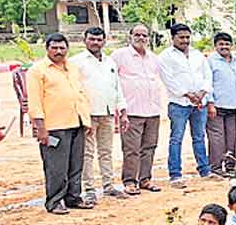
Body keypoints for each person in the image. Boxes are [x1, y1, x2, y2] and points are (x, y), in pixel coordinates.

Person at [28, 33, 94, 214]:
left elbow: (80, 94)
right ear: (47, 49)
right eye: (54, 48)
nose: (58, 51)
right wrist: (41, 128)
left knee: (75, 165)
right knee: (56, 167)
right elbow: (35, 102)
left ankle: (73, 198)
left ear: (67, 49)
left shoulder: (72, 68)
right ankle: (55, 202)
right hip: (53, 127)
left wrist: (86, 120)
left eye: (62, 47)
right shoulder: (37, 71)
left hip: (76, 123)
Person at [71, 26, 128, 203]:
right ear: (84, 40)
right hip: (88, 114)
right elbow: (75, 90)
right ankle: (89, 189)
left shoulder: (110, 62)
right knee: (87, 153)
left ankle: (109, 186)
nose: (96, 43)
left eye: (99, 39)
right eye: (92, 39)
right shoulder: (76, 62)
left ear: (104, 41)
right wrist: (81, 114)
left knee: (106, 151)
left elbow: (116, 87)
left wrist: (122, 111)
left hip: (108, 113)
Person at [159, 23, 213, 187]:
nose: (185, 40)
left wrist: (202, 93)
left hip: (199, 103)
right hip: (179, 103)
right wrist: (187, 94)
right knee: (176, 139)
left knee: (199, 137)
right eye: (181, 37)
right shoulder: (166, 56)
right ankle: (175, 174)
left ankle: (205, 170)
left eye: (187, 37)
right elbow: (169, 80)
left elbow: (207, 76)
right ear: (172, 37)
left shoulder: (197, 55)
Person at [112, 25, 163, 196]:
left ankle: (145, 179)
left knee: (149, 147)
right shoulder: (119, 56)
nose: (141, 38)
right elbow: (113, 83)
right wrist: (120, 110)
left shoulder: (154, 58)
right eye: (137, 34)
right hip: (131, 110)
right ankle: (130, 181)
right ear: (130, 36)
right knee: (131, 148)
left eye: (144, 35)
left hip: (152, 110)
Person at [206, 32, 236, 175]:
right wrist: (210, 103)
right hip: (216, 106)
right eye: (221, 44)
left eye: (227, 44)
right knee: (217, 139)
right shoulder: (211, 62)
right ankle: (216, 168)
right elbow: (207, 84)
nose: (224, 47)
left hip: (232, 106)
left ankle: (230, 167)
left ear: (231, 45)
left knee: (232, 137)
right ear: (215, 46)